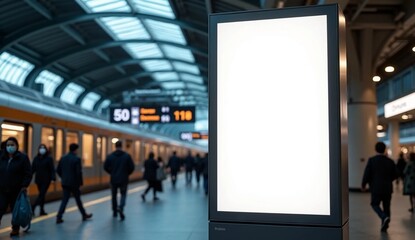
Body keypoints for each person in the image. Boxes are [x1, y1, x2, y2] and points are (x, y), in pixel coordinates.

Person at [361, 142, 398, 232]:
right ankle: (384, 225)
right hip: (388, 188)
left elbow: (367, 174)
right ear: (385, 149)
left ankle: (384, 217)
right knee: (387, 206)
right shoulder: (390, 161)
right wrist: (389, 180)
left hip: (376, 188)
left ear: (375, 149)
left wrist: (363, 184)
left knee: (374, 204)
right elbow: (396, 174)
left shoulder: (372, 160)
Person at [0, 137, 32, 237]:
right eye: (8, 145)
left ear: (17, 146)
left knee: (16, 210)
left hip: (17, 190)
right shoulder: (1, 157)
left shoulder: (22, 158)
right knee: (0, 208)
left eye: (12, 145)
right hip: (1, 189)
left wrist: (24, 185)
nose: (10, 147)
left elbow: (28, 173)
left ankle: (15, 228)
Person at [56, 143, 92, 224]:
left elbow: (58, 170)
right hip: (74, 184)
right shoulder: (76, 159)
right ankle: (84, 215)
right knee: (78, 200)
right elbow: (78, 173)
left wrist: (63, 177)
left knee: (65, 200)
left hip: (65, 183)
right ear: (75, 150)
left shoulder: (63, 158)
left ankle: (59, 216)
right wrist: (80, 183)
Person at [104, 141, 134, 221]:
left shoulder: (110, 156)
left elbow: (105, 167)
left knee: (114, 195)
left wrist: (111, 172)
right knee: (123, 194)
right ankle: (121, 207)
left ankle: (114, 211)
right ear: (122, 146)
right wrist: (127, 173)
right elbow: (131, 167)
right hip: (124, 178)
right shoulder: (127, 156)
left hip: (113, 179)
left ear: (115, 146)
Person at [32, 144, 56, 216]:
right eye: (40, 148)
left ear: (46, 150)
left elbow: (52, 169)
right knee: (42, 195)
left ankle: (33, 207)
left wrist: (53, 178)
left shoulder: (49, 158)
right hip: (38, 180)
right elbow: (32, 169)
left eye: (43, 148)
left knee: (41, 194)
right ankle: (42, 211)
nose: (42, 149)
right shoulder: (36, 159)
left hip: (46, 180)